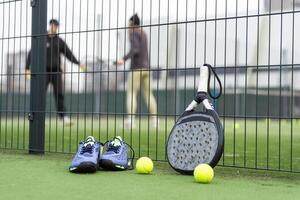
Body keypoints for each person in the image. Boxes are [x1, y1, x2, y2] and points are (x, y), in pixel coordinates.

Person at [25, 19, 85, 125]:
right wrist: (27, 68)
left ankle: (63, 117)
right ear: (49, 25)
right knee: (40, 94)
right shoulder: (41, 39)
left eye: (56, 26)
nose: (54, 27)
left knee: (59, 94)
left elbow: (69, 54)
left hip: (57, 72)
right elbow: (32, 52)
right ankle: (38, 117)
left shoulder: (59, 41)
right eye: (53, 25)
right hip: (43, 72)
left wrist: (78, 63)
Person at [117, 14, 158, 129]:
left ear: (131, 24)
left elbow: (135, 49)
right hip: (147, 68)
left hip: (136, 68)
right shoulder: (144, 33)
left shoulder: (133, 32)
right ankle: (155, 121)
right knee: (149, 94)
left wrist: (123, 59)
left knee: (131, 93)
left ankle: (130, 121)